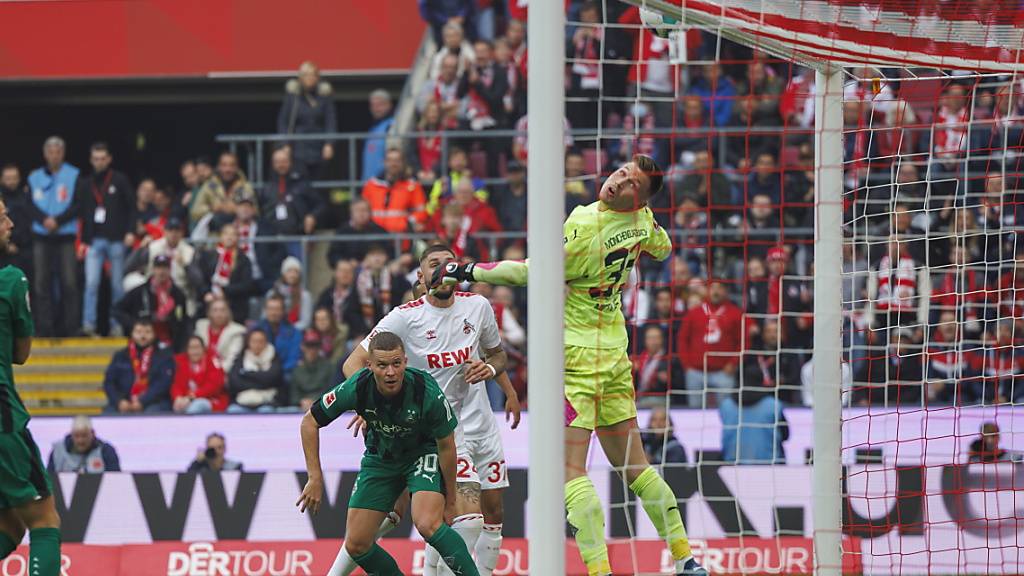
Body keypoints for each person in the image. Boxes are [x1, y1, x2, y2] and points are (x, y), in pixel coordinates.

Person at [431, 154, 707, 575]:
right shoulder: (643, 222)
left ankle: (600, 571)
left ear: (638, 198)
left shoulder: (587, 227)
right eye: (621, 172)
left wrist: (466, 269)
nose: (618, 182)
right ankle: (686, 558)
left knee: (570, 470)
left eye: (631, 184)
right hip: (614, 354)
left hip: (576, 359)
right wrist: (643, 226)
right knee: (635, 467)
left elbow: (530, 273)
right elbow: (664, 246)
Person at [333, 244, 508, 576]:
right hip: (403, 434)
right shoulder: (404, 316)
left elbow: (498, 355)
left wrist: (489, 368)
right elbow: (353, 363)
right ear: (421, 275)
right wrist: (370, 405)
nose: (442, 270)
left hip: (449, 432)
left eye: (449, 263)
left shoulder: (478, 307)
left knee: (467, 520)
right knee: (381, 522)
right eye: (434, 264)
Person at [299, 331, 480, 576]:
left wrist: (450, 500)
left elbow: (447, 445)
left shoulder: (425, 391)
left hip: (421, 454)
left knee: (427, 523)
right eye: (382, 365)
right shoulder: (356, 387)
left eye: (396, 363)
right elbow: (309, 422)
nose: (391, 372)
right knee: (357, 545)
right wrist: (315, 477)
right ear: (369, 365)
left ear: (405, 361)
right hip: (381, 459)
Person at [0, 195, 62, 575]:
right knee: (43, 519)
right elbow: (21, 353)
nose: (10, 225)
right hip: (2, 421)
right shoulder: (11, 279)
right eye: (2, 218)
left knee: (10, 525)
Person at [78, 142, 135, 337]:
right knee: (91, 283)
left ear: (109, 159)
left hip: (116, 239)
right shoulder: (86, 183)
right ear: (91, 160)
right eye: (96, 159)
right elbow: (81, 212)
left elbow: (132, 207)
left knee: (117, 285)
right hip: (93, 240)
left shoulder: (119, 180)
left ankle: (116, 325)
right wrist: (82, 240)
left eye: (102, 158)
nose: (99, 162)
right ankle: (88, 325)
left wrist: (130, 231)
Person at [29, 136, 80, 337]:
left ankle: (71, 328)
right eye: (51, 152)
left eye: (58, 152)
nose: (54, 155)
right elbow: (28, 204)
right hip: (41, 235)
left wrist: (58, 220)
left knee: (69, 283)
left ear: (63, 153)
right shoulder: (34, 177)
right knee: (41, 283)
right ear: (45, 154)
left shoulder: (74, 174)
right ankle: (44, 328)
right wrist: (44, 220)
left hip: (65, 235)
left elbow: (78, 204)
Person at [114, 255, 189, 352]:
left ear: (170, 270)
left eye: (165, 268)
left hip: (169, 343)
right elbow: (117, 310)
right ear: (153, 270)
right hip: (144, 343)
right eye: (158, 268)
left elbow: (183, 321)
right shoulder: (140, 291)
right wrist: (134, 324)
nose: (161, 271)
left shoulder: (178, 294)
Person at [188, 223, 257, 324]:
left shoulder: (243, 259)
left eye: (233, 234)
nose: (229, 237)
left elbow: (246, 284)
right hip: (209, 302)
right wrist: (206, 293)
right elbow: (200, 278)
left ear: (238, 238)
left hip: (234, 305)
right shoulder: (208, 256)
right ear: (220, 236)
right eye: (226, 234)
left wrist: (225, 291)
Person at [103, 318, 175, 414]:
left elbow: (162, 384)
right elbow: (109, 382)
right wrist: (119, 401)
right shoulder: (120, 356)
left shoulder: (164, 356)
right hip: (123, 402)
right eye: (138, 332)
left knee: (152, 414)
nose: (143, 336)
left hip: (154, 402)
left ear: (154, 334)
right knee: (108, 414)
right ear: (132, 334)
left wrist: (142, 401)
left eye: (147, 332)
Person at [278, 61, 336, 179]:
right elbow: (283, 121)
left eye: (312, 75)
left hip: (319, 148)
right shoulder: (293, 97)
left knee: (320, 182)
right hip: (298, 150)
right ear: (300, 77)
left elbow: (331, 121)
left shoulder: (324, 97)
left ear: (318, 77)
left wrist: (329, 143)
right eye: (306, 75)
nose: (309, 78)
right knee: (300, 182)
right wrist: (285, 144)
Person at [190, 152, 258, 233]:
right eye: (224, 165)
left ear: (237, 167)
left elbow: (256, 212)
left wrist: (237, 209)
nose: (227, 169)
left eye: (232, 165)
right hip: (213, 236)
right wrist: (213, 208)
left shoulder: (245, 187)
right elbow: (195, 212)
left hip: (238, 235)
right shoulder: (209, 186)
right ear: (218, 167)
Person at [227, 328, 285, 413]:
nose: (257, 344)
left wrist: (247, 374)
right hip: (242, 402)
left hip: (267, 403)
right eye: (254, 341)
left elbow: (273, 378)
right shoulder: (241, 359)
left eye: (261, 341)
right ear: (248, 342)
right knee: (233, 410)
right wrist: (262, 382)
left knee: (266, 411)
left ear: (266, 342)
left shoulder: (274, 358)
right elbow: (235, 383)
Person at [171, 336, 228, 414]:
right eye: (191, 348)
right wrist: (178, 397)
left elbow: (214, 385)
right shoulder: (182, 362)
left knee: (196, 406)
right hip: (187, 399)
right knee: (177, 406)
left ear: (203, 349)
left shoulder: (212, 360)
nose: (195, 351)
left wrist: (192, 397)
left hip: (210, 399)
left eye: (197, 347)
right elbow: (176, 384)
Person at [326, 199, 391, 267]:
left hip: (373, 268)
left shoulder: (379, 231)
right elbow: (333, 254)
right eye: (357, 210)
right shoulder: (342, 231)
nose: (361, 214)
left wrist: (375, 260)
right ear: (351, 213)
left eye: (364, 210)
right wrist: (343, 262)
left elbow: (389, 253)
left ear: (370, 213)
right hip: (349, 268)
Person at [46, 415, 121, 474]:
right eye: (77, 436)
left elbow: (115, 479)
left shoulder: (106, 451)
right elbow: (48, 481)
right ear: (71, 434)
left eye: (84, 436)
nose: (80, 440)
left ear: (93, 433)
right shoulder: (57, 452)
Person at [255, 294, 302, 378]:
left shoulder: (294, 333)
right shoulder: (256, 330)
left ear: (283, 311)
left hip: (284, 374)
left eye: (277, 309)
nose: (273, 313)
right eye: (270, 309)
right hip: (259, 373)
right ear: (265, 310)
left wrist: (276, 373)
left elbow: (293, 358)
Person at [194, 298, 246, 373]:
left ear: (228, 312)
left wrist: (213, 373)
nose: (219, 314)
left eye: (222, 310)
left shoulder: (237, 331)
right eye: (215, 310)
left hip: (222, 372)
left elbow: (230, 361)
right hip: (198, 370)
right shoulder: (201, 326)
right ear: (209, 313)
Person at [0, 165, 33, 280]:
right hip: (5, 250)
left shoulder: (27, 197)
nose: (12, 181)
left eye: (14, 178)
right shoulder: (1, 200)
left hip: (26, 248)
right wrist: (7, 245)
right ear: (1, 179)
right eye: (8, 178)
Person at [291, 331, 336, 411]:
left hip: (324, 406)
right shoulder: (297, 370)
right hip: (301, 408)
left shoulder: (328, 367)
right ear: (302, 347)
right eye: (308, 346)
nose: (312, 350)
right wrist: (301, 401)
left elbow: (332, 391)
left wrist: (317, 401)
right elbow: (294, 396)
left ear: (319, 347)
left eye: (315, 346)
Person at [267, 256, 313, 331]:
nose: (292, 275)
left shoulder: (304, 296)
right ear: (283, 273)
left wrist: (288, 330)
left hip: (295, 333)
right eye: (289, 271)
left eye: (296, 272)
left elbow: (305, 322)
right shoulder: (272, 293)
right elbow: (265, 317)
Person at [362, 89, 395, 182]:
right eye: (373, 105)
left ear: (389, 105)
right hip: (368, 183)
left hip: (383, 183)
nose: (376, 109)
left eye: (380, 105)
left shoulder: (392, 126)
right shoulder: (373, 128)